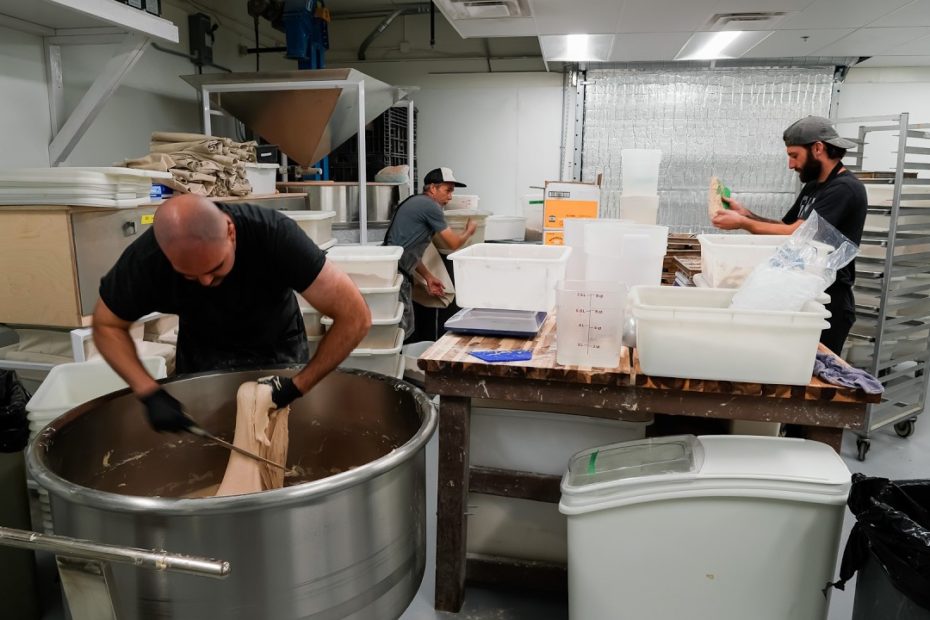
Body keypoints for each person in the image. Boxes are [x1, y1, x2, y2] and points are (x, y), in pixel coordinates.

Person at [92, 195, 371, 432]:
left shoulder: (274, 236)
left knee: (287, 442)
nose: (205, 282)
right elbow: (107, 326)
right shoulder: (147, 260)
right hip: (203, 357)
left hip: (278, 350)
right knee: (210, 453)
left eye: (215, 268)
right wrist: (148, 392)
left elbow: (355, 316)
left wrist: (298, 386)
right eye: (189, 276)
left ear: (230, 232)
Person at [712, 115, 867, 354]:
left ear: (818, 148)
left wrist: (743, 223)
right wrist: (746, 214)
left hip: (828, 302)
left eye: (794, 155)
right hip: (803, 292)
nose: (791, 165)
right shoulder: (815, 186)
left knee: (814, 378)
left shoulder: (844, 188)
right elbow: (785, 227)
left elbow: (796, 234)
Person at [383, 167, 477, 339]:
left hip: (392, 269)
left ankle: (399, 362)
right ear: (433, 188)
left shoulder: (416, 202)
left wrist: (428, 277)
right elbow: (453, 243)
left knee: (400, 326)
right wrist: (470, 231)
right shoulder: (430, 206)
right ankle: (397, 364)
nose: (450, 197)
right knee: (400, 329)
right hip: (395, 272)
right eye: (447, 190)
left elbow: (410, 249)